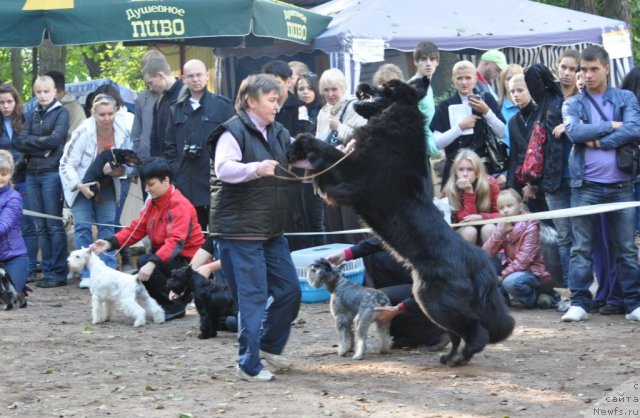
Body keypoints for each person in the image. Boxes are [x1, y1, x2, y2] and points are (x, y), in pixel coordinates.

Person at [208, 73, 302, 382]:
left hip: (271, 231)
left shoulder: (278, 132)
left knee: (289, 290)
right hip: (239, 232)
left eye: (279, 100)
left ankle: (267, 348)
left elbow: (298, 157)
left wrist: (340, 151)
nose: (277, 106)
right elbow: (224, 169)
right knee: (253, 298)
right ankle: (248, 364)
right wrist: (255, 169)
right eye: (272, 100)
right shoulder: (231, 132)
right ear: (251, 101)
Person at [560, 45, 640, 322]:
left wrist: (598, 141)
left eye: (594, 68)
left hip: (621, 186)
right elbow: (574, 132)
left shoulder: (625, 97)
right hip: (585, 185)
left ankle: (633, 304)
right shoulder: (573, 102)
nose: (588, 74)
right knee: (581, 248)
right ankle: (579, 302)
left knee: (626, 248)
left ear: (606, 68)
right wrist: (612, 126)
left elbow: (634, 129)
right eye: (584, 69)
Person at [92, 157, 204, 321]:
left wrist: (152, 263)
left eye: (151, 185)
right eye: (145, 185)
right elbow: (136, 229)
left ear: (165, 180)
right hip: (167, 260)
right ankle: (163, 304)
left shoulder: (179, 205)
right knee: (136, 278)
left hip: (189, 264)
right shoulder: (153, 203)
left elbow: (175, 242)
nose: (147, 189)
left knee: (144, 263)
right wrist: (109, 243)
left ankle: (175, 306)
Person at [59, 94, 133, 288]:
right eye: (102, 114)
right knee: (82, 227)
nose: (107, 118)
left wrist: (119, 171)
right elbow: (65, 164)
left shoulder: (124, 131)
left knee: (107, 226)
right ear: (93, 113)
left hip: (108, 185)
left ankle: (107, 270)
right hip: (82, 184)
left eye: (110, 113)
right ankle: (87, 273)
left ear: (116, 112)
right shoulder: (82, 132)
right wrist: (79, 185)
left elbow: (130, 164)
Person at [326, 237, 450, 350]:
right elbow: (380, 240)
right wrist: (346, 254)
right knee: (378, 258)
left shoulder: (429, 246)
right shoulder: (406, 226)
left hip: (437, 290)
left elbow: (429, 287)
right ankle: (403, 334)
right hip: (419, 280)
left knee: (380, 298)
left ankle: (437, 333)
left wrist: (399, 308)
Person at [164, 59, 235, 232]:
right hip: (187, 182)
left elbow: (235, 142)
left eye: (199, 75)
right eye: (191, 76)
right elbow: (169, 145)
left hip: (215, 180)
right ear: (183, 79)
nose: (196, 79)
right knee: (192, 234)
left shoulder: (222, 106)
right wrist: (176, 170)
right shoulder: (176, 109)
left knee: (220, 233)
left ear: (207, 75)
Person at [15, 75, 70, 288]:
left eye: (46, 91)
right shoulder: (31, 114)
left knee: (53, 224)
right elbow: (20, 142)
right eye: (38, 92)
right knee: (40, 225)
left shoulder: (62, 113)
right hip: (32, 173)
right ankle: (47, 271)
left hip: (51, 173)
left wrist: (34, 144)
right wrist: (42, 146)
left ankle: (58, 273)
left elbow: (56, 140)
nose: (43, 95)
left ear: (55, 91)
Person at [262, 60, 313, 251]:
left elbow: (304, 137)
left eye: (277, 81)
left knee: (292, 218)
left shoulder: (298, 107)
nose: (273, 87)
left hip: (290, 172)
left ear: (289, 81)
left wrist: (288, 157)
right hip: (265, 172)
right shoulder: (262, 107)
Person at [431, 60, 506, 188]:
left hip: (483, 168)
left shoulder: (486, 99)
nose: (464, 82)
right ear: (453, 79)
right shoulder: (445, 106)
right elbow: (438, 143)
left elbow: (501, 132)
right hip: (455, 170)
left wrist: (486, 112)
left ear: (475, 78)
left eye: (468, 77)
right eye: (459, 78)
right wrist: (459, 128)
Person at [316, 68, 367, 244]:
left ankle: (362, 271)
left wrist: (339, 128)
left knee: (352, 232)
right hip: (328, 177)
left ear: (342, 88)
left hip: (349, 177)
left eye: (334, 89)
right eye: (326, 90)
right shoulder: (323, 112)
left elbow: (363, 138)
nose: (330, 94)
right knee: (334, 233)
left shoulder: (354, 105)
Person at [483, 188, 552, 308]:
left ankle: (534, 298)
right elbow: (485, 253)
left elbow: (524, 260)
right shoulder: (502, 225)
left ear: (520, 207)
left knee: (510, 283)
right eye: (501, 208)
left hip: (532, 271)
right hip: (512, 268)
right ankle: (502, 299)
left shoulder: (531, 225)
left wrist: (503, 275)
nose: (505, 211)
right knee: (487, 263)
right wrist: (500, 233)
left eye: (509, 206)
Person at [0, 83, 37, 283]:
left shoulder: (26, 119)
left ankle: (29, 267)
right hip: (1, 181)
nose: (6, 106)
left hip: (23, 178)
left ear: (16, 102)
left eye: (9, 102)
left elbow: (28, 148)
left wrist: (13, 172)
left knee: (28, 226)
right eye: (2, 102)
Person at [294, 72, 327, 247]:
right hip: (297, 174)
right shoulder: (296, 110)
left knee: (316, 222)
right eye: (301, 89)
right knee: (304, 222)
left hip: (317, 173)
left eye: (309, 88)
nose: (305, 92)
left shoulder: (322, 110)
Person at [443, 148, 499, 245]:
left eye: (470, 169)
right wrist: (469, 192)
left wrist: (482, 217)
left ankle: (492, 260)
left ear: (477, 172)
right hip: (463, 232)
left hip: (487, 226)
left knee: (489, 229)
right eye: (461, 169)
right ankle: (468, 260)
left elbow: (501, 213)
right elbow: (464, 220)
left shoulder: (491, 183)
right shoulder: (449, 189)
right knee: (469, 231)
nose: (465, 174)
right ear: (455, 172)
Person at [131, 50, 163, 197]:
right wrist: (137, 164)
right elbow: (136, 134)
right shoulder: (142, 99)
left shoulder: (176, 95)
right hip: (147, 164)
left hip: (168, 164)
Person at [408, 41, 442, 163]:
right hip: (415, 155)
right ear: (416, 62)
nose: (428, 63)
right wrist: (435, 151)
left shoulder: (426, 86)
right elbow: (415, 126)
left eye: (432, 59)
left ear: (437, 62)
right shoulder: (413, 88)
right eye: (423, 59)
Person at [0, 150, 29, 294]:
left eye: (4, 173)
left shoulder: (14, 197)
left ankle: (18, 282)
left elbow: (2, 227)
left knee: (5, 296)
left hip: (13, 258)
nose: (0, 177)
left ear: (10, 174)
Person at [143, 57, 184, 158]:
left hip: (184, 167)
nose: (150, 88)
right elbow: (154, 139)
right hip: (163, 167)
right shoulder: (159, 101)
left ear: (161, 75)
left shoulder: (187, 96)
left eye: (150, 83)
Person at [45, 70, 86, 140]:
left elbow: (75, 140)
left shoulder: (75, 109)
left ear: (56, 90)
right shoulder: (46, 107)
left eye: (45, 91)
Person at [497, 64, 524, 150]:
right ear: (503, 82)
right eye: (509, 78)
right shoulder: (497, 107)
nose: (513, 81)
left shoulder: (533, 107)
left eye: (517, 77)